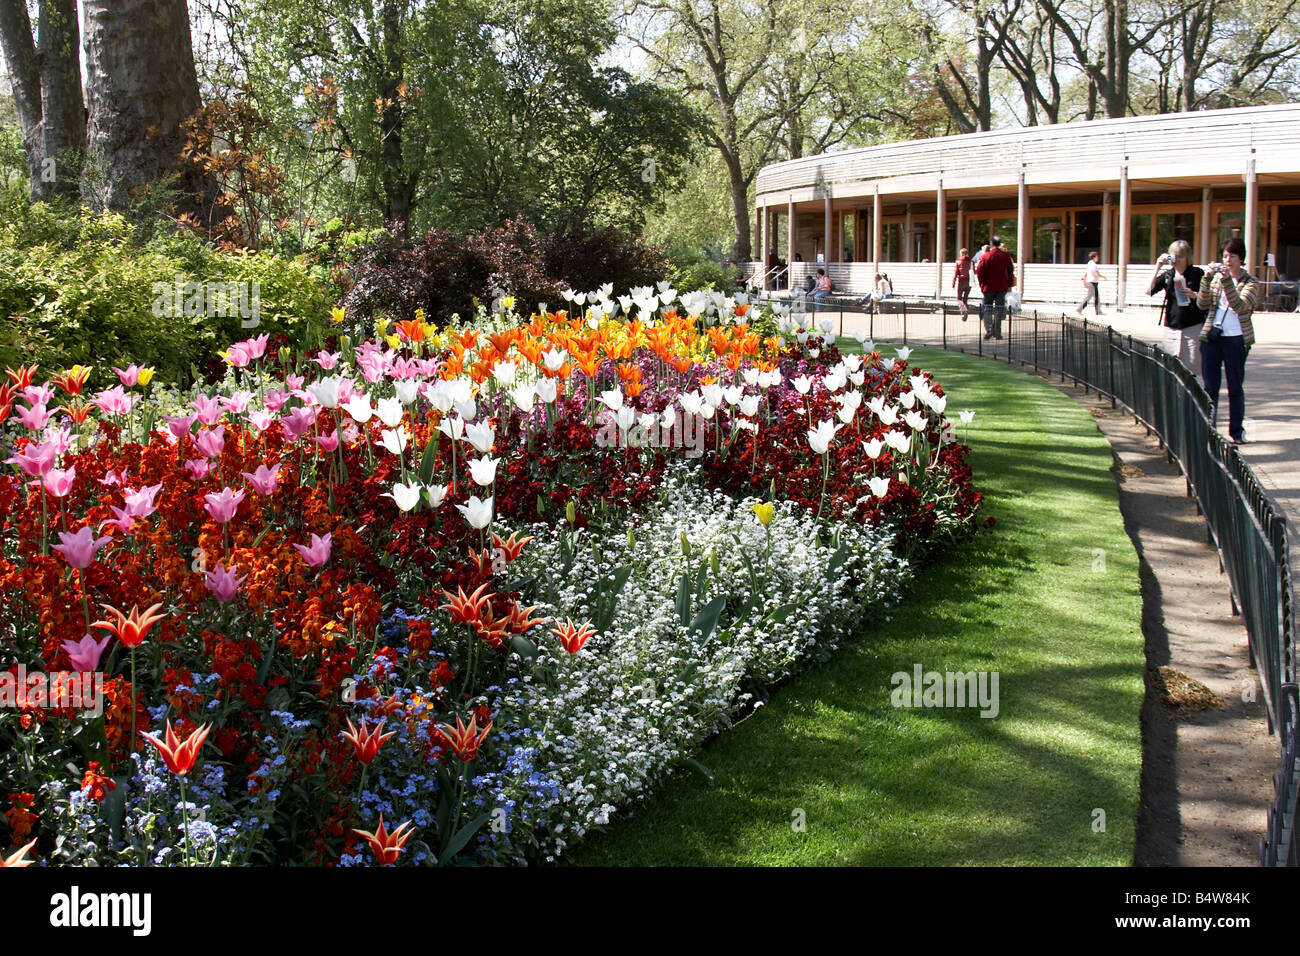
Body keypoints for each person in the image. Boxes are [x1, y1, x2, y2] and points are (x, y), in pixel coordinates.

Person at [1196, 236, 1259, 444]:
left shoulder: (1251, 283)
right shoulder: (1216, 279)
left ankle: (1236, 432)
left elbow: (1240, 306)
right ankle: (1208, 430)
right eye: (1224, 256)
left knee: (1235, 388)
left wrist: (1226, 281)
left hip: (1236, 339)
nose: (1228, 260)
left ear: (1241, 258)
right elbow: (1202, 304)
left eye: (1232, 256)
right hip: (1212, 338)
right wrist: (1206, 279)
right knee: (1210, 387)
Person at [1146, 239, 1205, 373]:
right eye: (1174, 256)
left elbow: (1208, 297)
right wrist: (1158, 266)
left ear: (1187, 257)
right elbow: (1148, 291)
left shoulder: (1197, 273)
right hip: (1171, 329)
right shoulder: (1169, 274)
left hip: (1192, 328)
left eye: (1180, 257)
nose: (1176, 260)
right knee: (1171, 371)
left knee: (1192, 371)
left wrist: (1194, 294)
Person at [974, 236, 1015, 339]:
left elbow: (980, 271)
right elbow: (1010, 271)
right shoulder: (1005, 256)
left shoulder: (986, 256)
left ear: (991, 243)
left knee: (988, 308)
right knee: (999, 308)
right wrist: (1009, 284)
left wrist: (982, 284)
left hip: (988, 286)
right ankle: (997, 332)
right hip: (1001, 286)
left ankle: (989, 330)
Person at [952, 247, 973, 319]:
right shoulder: (971, 261)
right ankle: (964, 314)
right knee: (965, 299)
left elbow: (956, 273)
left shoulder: (958, 261)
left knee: (959, 299)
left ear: (961, 254)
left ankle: (964, 311)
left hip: (961, 281)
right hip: (969, 282)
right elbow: (974, 272)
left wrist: (953, 282)